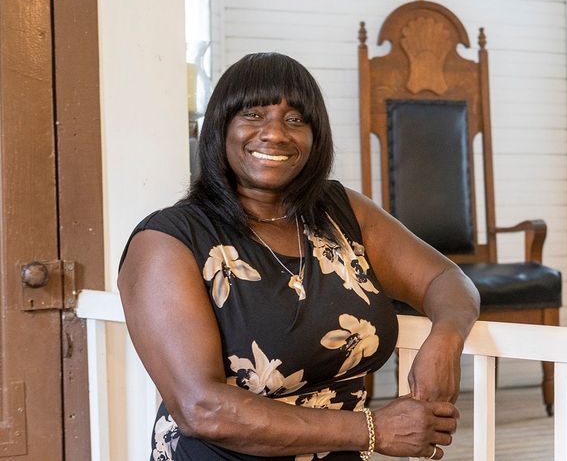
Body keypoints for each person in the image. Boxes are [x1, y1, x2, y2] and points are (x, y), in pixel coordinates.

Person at [118, 52, 480, 461]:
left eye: (295, 120)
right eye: (253, 115)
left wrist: (446, 336)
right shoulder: (169, 241)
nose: (275, 134)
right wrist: (372, 429)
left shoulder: (340, 212)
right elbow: (200, 408)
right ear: (221, 128)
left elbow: (446, 279)